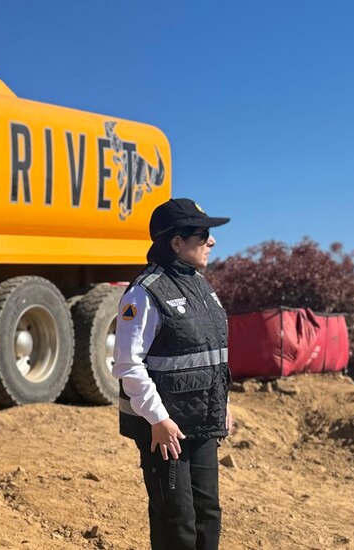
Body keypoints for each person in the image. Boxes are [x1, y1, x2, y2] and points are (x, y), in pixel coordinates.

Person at [112, 198, 233, 550]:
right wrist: (158, 420)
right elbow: (127, 364)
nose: (211, 241)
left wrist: (224, 403)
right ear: (176, 243)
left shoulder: (201, 286)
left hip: (204, 423)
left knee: (208, 512)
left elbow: (214, 356)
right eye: (202, 234)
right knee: (176, 522)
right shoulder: (144, 292)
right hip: (166, 431)